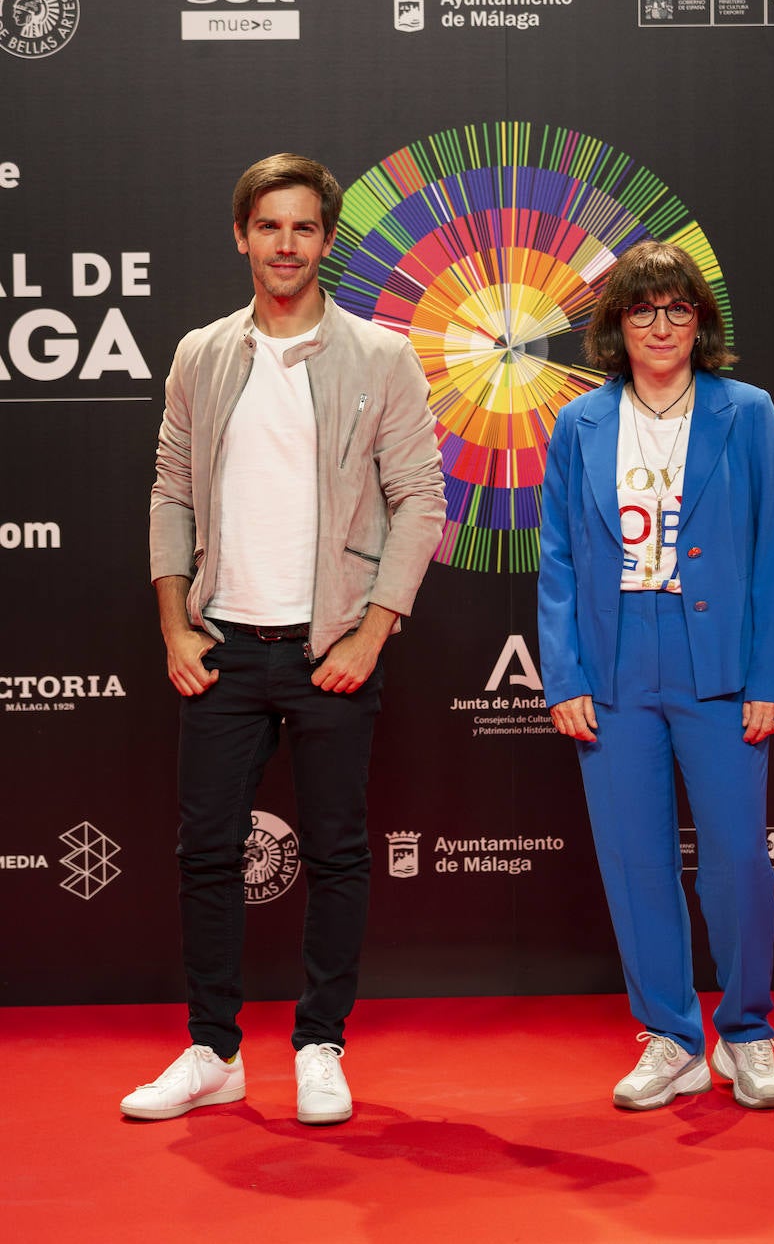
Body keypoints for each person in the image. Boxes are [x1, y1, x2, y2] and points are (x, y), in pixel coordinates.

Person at [121, 153, 445, 1125]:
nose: (286, 245)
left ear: (326, 241)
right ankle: (213, 1049)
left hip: (332, 645)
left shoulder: (380, 358)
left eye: (304, 228)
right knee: (205, 850)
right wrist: (175, 620)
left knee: (339, 851)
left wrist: (374, 631)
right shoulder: (200, 355)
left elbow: (420, 501)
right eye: (270, 227)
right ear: (241, 236)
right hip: (221, 644)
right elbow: (171, 489)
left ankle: (319, 1043)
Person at [537, 239, 774, 1112]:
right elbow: (562, 561)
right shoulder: (579, 424)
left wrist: (771, 677)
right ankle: (672, 1038)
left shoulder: (746, 411)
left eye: (677, 308)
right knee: (635, 862)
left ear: (700, 320)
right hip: (614, 660)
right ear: (616, 323)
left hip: (718, 660)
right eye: (642, 309)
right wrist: (565, 675)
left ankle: (747, 1034)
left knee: (735, 861)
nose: (660, 325)